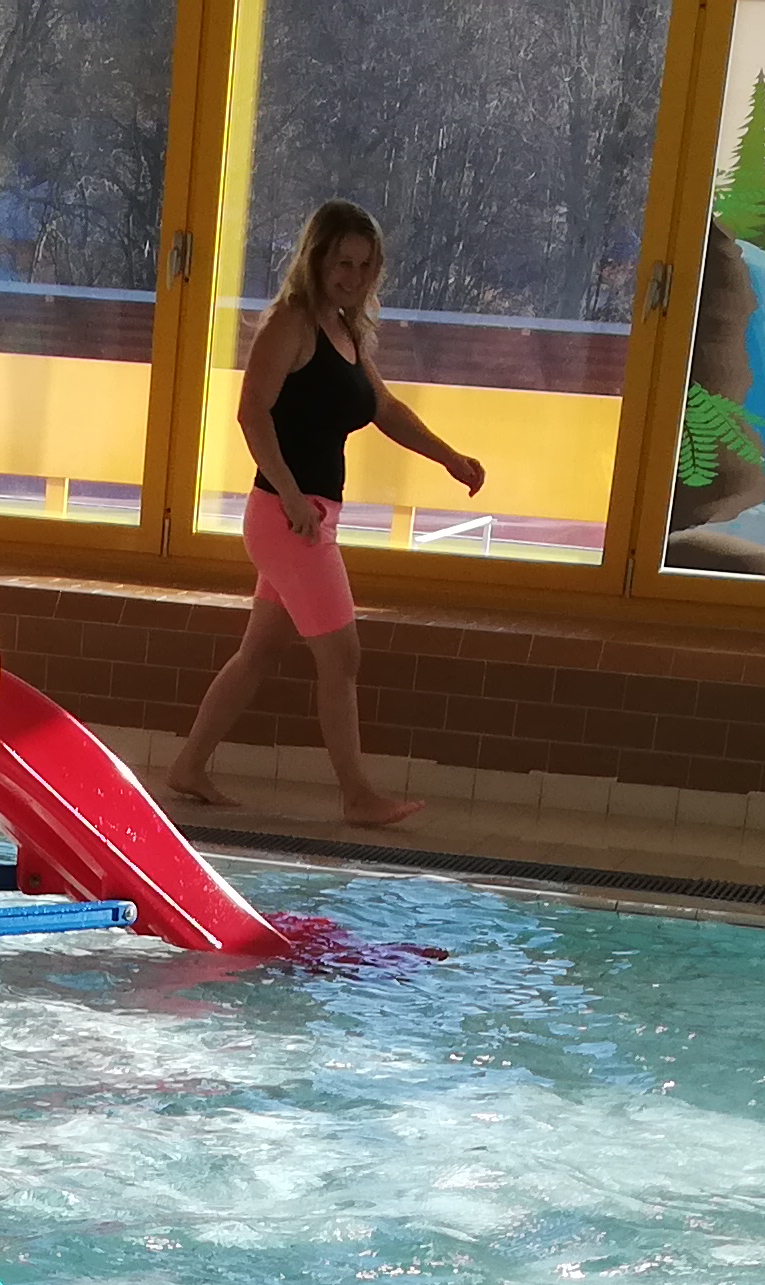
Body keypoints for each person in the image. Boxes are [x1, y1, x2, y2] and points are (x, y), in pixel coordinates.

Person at [167, 202, 488, 830]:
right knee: (343, 657)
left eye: (365, 266)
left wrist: (449, 457)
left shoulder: (344, 330)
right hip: (289, 517)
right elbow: (252, 413)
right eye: (343, 263)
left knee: (258, 653)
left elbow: (383, 408)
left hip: (307, 515)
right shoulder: (290, 324)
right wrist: (290, 496)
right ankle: (357, 796)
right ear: (316, 259)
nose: (353, 276)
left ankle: (188, 767)